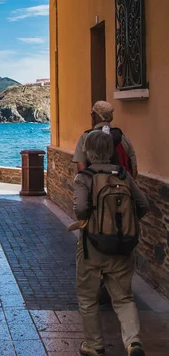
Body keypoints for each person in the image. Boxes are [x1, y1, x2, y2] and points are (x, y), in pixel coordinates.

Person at [73, 130, 149, 356]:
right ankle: (133, 342)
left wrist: (95, 221)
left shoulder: (84, 177)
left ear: (88, 151)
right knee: (124, 298)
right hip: (122, 246)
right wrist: (123, 226)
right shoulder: (124, 175)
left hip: (92, 246)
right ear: (110, 150)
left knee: (88, 297)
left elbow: (80, 210)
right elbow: (143, 205)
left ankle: (94, 345)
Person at [73, 101, 138, 177]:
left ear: (94, 116)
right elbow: (134, 169)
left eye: (92, 114)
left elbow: (80, 166)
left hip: (95, 186)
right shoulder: (122, 138)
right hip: (119, 186)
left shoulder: (86, 137)